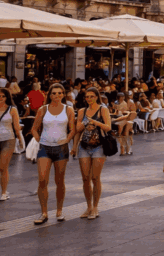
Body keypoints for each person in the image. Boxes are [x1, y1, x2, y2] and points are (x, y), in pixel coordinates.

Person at [32, 83, 75, 224]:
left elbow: (73, 129)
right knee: (42, 180)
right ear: (49, 95)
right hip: (44, 147)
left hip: (61, 148)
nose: (57, 95)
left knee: (59, 180)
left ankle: (59, 210)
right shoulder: (43, 109)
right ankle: (44, 213)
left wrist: (67, 139)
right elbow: (34, 128)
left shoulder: (68, 109)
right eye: (54, 93)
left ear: (63, 94)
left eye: (60, 93)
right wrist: (38, 139)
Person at [76, 86, 112, 219]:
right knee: (85, 178)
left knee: (95, 178)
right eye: (87, 97)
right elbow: (78, 129)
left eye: (92, 96)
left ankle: (95, 207)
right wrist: (85, 121)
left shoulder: (103, 109)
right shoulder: (82, 111)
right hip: (84, 146)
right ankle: (89, 206)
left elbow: (108, 127)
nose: (89, 99)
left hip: (99, 146)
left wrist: (95, 122)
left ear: (97, 97)